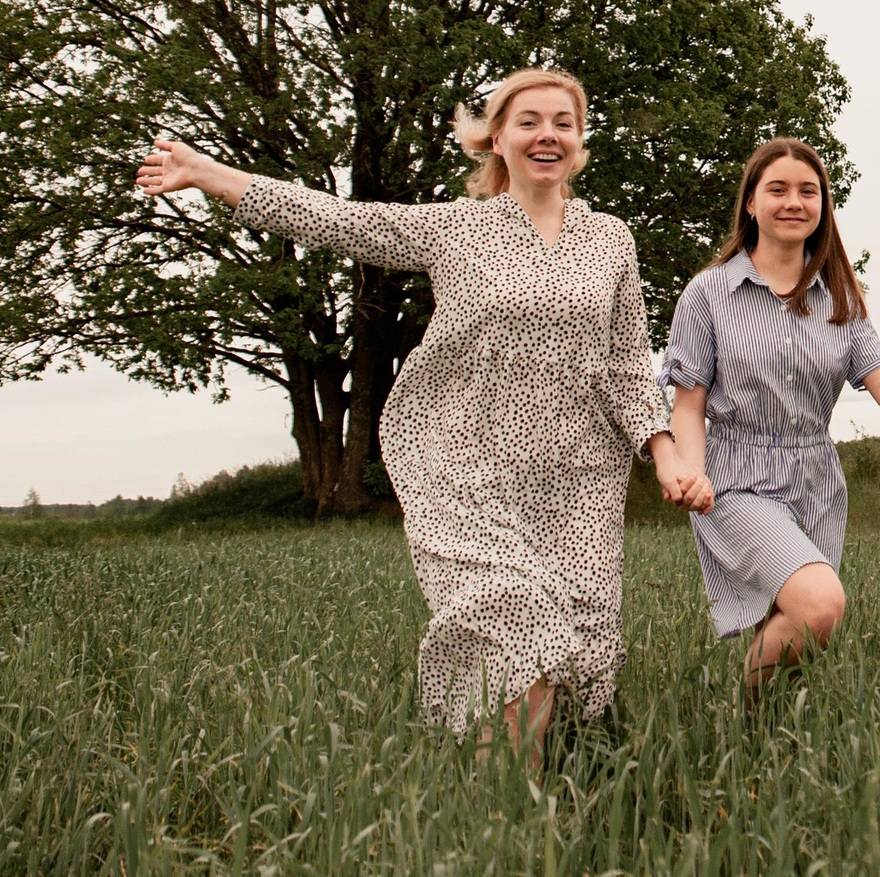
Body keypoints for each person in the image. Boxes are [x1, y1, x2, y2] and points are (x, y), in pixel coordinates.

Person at [134, 66, 695, 754]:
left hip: (578, 480)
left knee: (573, 653)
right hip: (469, 467)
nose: (547, 135)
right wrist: (208, 173)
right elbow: (336, 219)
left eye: (563, 123)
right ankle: (503, 819)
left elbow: (627, 363)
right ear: (494, 139)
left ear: (579, 141)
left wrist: (664, 452)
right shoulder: (453, 230)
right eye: (529, 122)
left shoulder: (611, 240)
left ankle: (526, 798)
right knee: (516, 619)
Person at [661, 138, 880, 695]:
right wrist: (691, 473)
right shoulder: (708, 294)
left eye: (808, 191)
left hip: (816, 477)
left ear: (823, 206)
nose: (794, 202)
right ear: (751, 204)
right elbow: (687, 404)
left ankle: (756, 738)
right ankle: (741, 710)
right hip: (735, 477)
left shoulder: (841, 300)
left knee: (793, 620)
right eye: (778, 189)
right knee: (819, 604)